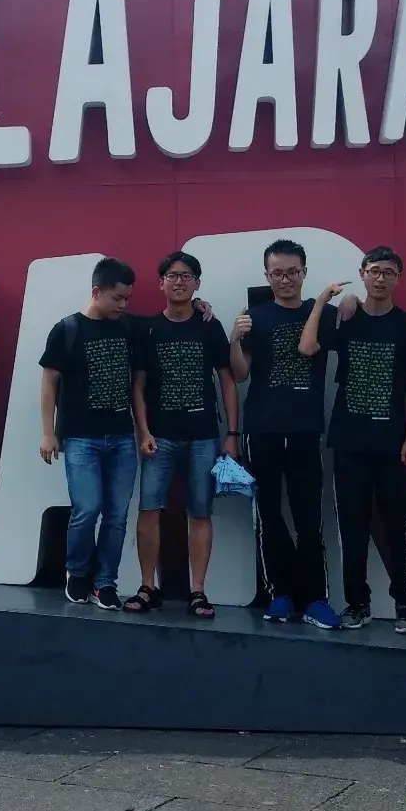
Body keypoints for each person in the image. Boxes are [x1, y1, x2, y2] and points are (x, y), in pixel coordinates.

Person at [301, 245, 406, 634]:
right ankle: (357, 604)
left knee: (396, 525)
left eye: (389, 272)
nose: (381, 278)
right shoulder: (346, 317)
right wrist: (325, 300)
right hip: (349, 442)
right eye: (374, 271)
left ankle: (405, 605)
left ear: (398, 279)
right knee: (352, 527)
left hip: (392, 443)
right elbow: (307, 347)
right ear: (362, 274)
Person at [230, 239, 342, 631]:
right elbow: (240, 373)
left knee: (309, 518)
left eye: (292, 272)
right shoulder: (254, 317)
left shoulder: (323, 313)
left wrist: (342, 300)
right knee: (268, 515)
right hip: (261, 428)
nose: (285, 279)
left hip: (305, 429)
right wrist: (234, 337)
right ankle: (278, 593)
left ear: (304, 273)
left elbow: (322, 340)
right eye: (277, 273)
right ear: (267, 275)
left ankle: (315, 599)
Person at [127, 252, 239, 619]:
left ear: (197, 283)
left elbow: (227, 380)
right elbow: (137, 385)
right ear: (161, 283)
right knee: (149, 509)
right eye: (172, 276)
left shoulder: (209, 326)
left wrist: (232, 433)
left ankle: (198, 591)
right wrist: (143, 430)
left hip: (203, 437)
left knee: (201, 512)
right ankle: (147, 586)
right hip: (159, 438)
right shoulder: (147, 329)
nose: (179, 281)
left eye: (187, 276)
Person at [39, 257, 145, 610]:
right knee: (87, 509)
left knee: (117, 515)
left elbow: (165, 323)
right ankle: (77, 573)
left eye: (127, 298)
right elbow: (49, 382)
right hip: (81, 438)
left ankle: (105, 582)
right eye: (117, 298)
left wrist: (199, 304)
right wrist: (47, 432)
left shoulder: (126, 327)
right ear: (97, 292)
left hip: (122, 437)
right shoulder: (67, 329)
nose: (123, 305)